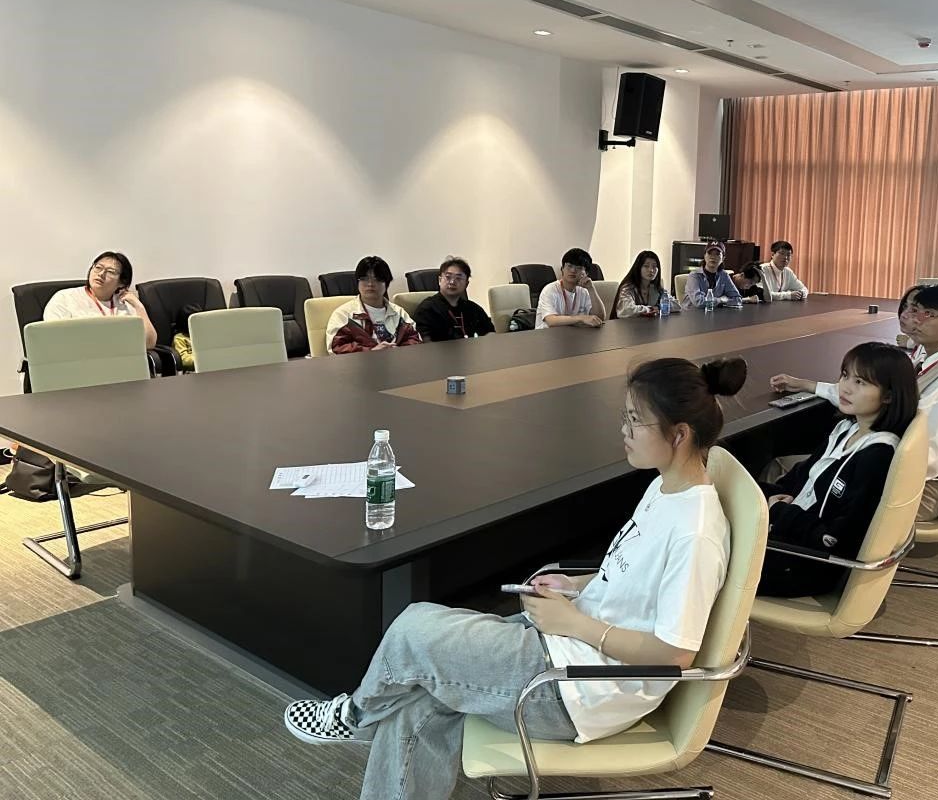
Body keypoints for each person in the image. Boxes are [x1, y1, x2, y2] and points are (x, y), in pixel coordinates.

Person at [281, 356, 747, 800]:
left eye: (634, 421)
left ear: (679, 433)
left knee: (412, 629)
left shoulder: (695, 533)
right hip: (569, 651)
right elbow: (630, 581)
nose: (623, 431)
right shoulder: (666, 487)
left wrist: (575, 623)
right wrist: (574, 587)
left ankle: (356, 715)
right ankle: (371, 722)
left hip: (578, 689)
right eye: (624, 417)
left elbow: (674, 654)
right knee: (421, 700)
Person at [771, 284, 938, 521]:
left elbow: (928, 459)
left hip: (914, 494)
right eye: (916, 311)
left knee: (786, 471)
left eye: (928, 314)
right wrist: (809, 386)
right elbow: (868, 397)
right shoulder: (929, 357)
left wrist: (859, 464)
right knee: (810, 466)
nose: (915, 319)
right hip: (885, 469)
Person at [759, 342, 918, 597]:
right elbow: (802, 478)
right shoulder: (847, 428)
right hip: (786, 534)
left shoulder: (877, 456)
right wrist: (764, 497)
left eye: (860, 382)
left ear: (888, 396)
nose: (845, 387)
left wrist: (779, 512)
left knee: (706, 553)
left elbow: (834, 539)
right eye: (845, 376)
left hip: (805, 563)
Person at [43, 251, 159, 349]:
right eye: (98, 267)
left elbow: (149, 344)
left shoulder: (126, 304)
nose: (101, 274)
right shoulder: (64, 298)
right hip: (78, 361)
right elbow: (55, 340)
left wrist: (139, 307)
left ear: (122, 282)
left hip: (122, 361)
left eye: (110, 272)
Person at [327, 256, 423, 353]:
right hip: (362, 362)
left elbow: (415, 339)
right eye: (364, 279)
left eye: (377, 279)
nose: (370, 284)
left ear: (386, 283)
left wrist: (398, 352)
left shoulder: (398, 313)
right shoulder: (344, 315)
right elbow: (336, 348)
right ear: (357, 282)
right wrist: (372, 352)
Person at [414, 257, 495, 341]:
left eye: (458, 278)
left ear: (466, 284)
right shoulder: (427, 309)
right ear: (440, 280)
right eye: (448, 277)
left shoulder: (473, 309)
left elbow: (491, 333)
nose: (452, 282)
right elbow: (425, 342)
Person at [537, 248, 606, 328]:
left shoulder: (584, 291)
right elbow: (551, 321)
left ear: (586, 273)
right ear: (562, 269)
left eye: (579, 268)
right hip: (546, 334)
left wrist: (591, 289)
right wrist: (581, 318)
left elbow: (600, 317)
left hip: (572, 334)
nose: (573, 270)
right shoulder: (550, 289)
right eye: (569, 266)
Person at [612, 251, 680, 319]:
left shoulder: (656, 288)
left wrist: (658, 307)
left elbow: (677, 305)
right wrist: (650, 309)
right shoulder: (628, 287)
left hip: (649, 325)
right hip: (627, 325)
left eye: (654, 266)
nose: (651, 270)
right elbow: (626, 310)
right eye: (646, 266)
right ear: (638, 268)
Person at [684, 242, 742, 308]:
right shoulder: (694, 276)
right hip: (692, 313)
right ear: (704, 256)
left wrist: (716, 301)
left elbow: (737, 299)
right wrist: (721, 300)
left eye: (717, 254)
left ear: (723, 258)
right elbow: (699, 302)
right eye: (709, 253)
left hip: (714, 313)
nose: (713, 257)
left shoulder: (724, 275)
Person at [171, 303, 201, 371]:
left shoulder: (202, 336)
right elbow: (184, 360)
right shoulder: (179, 338)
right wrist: (201, 359)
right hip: (192, 370)